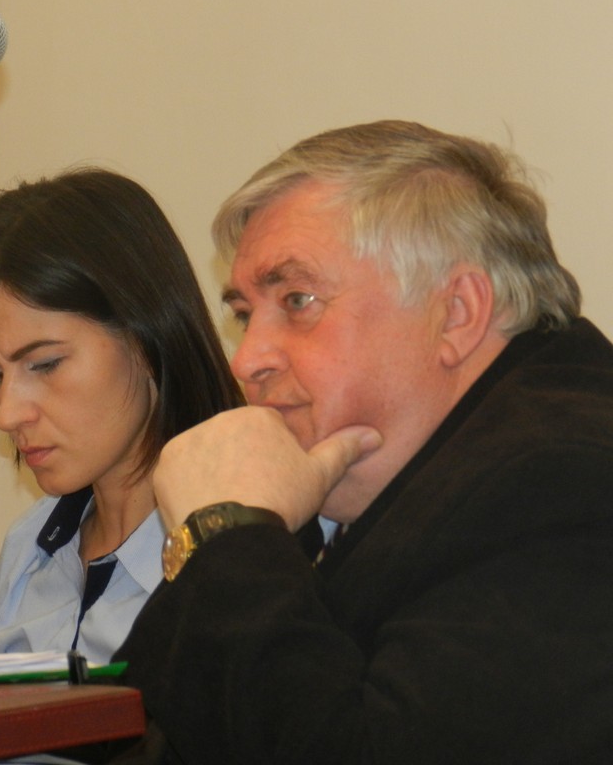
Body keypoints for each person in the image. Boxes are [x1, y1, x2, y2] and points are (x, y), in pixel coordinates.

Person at [112, 121, 613, 763]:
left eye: (298, 300)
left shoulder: (565, 484)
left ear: (457, 313)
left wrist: (227, 535)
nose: (247, 360)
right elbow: (138, 728)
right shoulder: (390, 474)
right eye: (244, 315)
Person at [0, 168, 243, 665]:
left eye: (45, 364)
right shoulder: (29, 549)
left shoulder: (240, 549)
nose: (8, 414)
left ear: (146, 338)